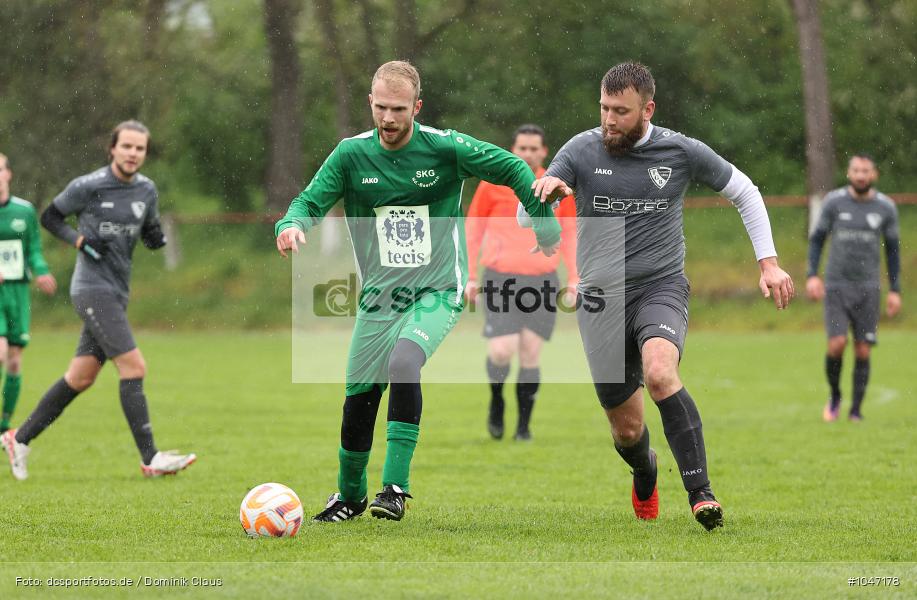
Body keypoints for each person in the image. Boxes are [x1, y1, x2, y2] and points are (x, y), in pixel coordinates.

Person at [275, 61, 561, 523]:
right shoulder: (350, 155)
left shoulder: (444, 148)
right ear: (370, 102)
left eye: (399, 109)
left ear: (417, 107)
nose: (388, 118)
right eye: (381, 107)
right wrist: (291, 225)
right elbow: (308, 201)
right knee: (359, 397)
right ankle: (348, 497)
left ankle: (394, 487)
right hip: (378, 300)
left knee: (404, 361)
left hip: (438, 290)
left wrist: (542, 220)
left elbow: (511, 167)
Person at [529, 62, 794, 530]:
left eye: (622, 111)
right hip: (600, 299)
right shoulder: (580, 150)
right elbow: (525, 212)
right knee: (627, 430)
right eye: (605, 109)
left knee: (658, 372)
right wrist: (541, 200)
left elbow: (745, 192)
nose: (610, 120)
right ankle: (645, 468)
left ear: (648, 109)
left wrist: (768, 263)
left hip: (660, 286)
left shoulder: (681, 152)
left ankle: (701, 494)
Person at [0, 121, 196, 481]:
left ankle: (19, 438)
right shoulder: (89, 186)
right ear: (112, 149)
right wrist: (78, 241)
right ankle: (150, 458)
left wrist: (154, 237)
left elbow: (149, 229)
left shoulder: (147, 190)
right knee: (134, 367)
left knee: (81, 377)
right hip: (91, 288)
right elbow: (50, 216)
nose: (133, 154)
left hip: (118, 290)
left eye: (140, 149)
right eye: (127, 147)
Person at [465, 124, 578, 441]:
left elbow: (568, 234)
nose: (527, 153)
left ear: (543, 152)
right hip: (500, 277)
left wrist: (575, 277)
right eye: (522, 148)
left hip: (542, 279)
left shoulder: (555, 187)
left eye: (533, 148)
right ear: (513, 150)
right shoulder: (492, 185)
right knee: (502, 351)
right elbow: (473, 231)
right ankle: (497, 401)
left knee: (530, 352)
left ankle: (524, 427)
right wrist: (470, 275)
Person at [806, 154, 901, 422]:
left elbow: (893, 251)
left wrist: (895, 290)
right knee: (836, 344)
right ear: (849, 173)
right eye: (856, 170)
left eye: (866, 171)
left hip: (869, 288)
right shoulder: (834, 202)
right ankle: (835, 396)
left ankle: (856, 411)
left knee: (862, 349)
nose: (861, 175)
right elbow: (816, 240)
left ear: (874, 174)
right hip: (836, 285)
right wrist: (812, 275)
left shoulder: (886, 208)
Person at [0, 153, 57, 433]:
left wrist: (42, 271)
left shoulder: (24, 212)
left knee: (14, 360)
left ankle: (4, 424)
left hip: (18, 294)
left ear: (8, 174)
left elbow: (33, 249)